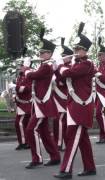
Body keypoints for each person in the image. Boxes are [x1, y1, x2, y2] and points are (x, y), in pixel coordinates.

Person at [54, 22, 96, 179]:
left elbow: (68, 74)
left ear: (85, 51)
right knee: (82, 139)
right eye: (75, 49)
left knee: (72, 137)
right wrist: (57, 67)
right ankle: (90, 167)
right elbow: (62, 78)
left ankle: (66, 170)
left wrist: (61, 66)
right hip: (74, 104)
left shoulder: (87, 64)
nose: (76, 52)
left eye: (79, 49)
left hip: (81, 105)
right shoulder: (77, 63)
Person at [24, 28, 60, 168]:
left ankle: (37, 158)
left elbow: (32, 76)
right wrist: (28, 70)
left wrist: (27, 68)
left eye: (43, 52)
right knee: (44, 132)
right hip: (41, 105)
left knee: (30, 130)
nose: (40, 54)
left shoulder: (47, 67)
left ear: (50, 54)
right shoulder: (43, 66)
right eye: (40, 52)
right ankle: (55, 156)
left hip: (43, 105)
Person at [52, 38, 73, 150]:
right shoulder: (62, 66)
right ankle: (60, 142)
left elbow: (64, 80)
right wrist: (54, 69)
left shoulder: (70, 67)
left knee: (60, 121)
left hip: (64, 95)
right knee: (59, 121)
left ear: (69, 57)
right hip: (57, 95)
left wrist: (58, 70)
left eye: (64, 56)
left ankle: (59, 143)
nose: (62, 58)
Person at [14, 49, 32, 150]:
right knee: (23, 123)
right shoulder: (20, 76)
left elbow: (26, 88)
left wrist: (15, 88)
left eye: (21, 66)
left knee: (19, 123)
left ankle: (24, 142)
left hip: (26, 104)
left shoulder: (29, 75)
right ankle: (26, 142)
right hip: (21, 104)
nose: (19, 68)